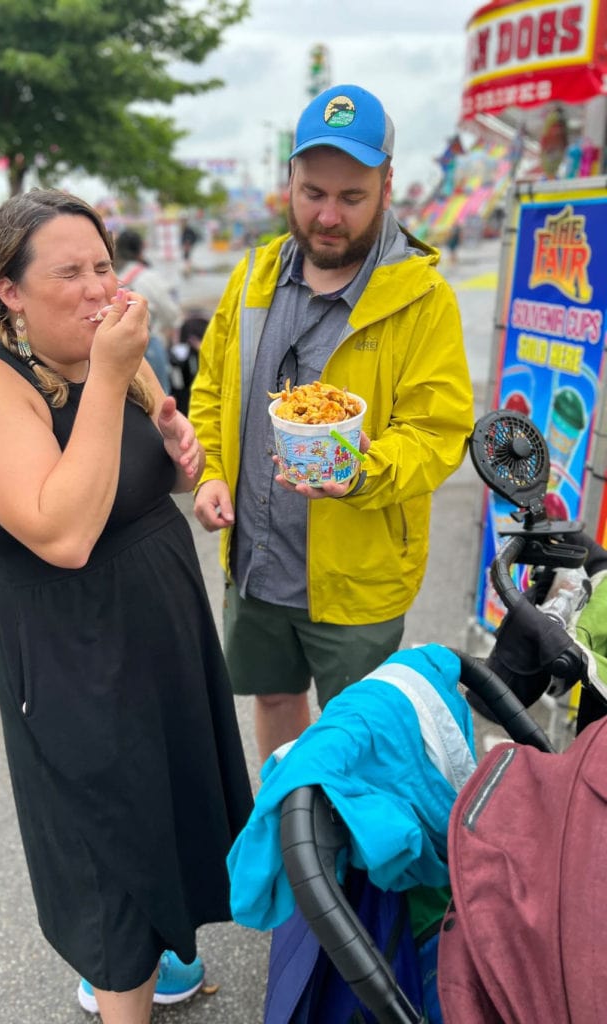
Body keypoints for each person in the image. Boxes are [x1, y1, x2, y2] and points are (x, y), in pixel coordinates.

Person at [0, 188, 253, 1024]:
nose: (97, 286)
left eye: (103, 264)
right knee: (108, 855)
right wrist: (110, 374)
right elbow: (64, 531)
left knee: (174, 805)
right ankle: (123, 996)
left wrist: (194, 464)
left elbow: (164, 444)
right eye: (68, 272)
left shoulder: (117, 358)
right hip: (72, 665)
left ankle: (168, 967)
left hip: (164, 641)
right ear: (10, 291)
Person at [189, 83, 474, 764]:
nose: (328, 216)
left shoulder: (422, 298)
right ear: (289, 179)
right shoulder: (252, 277)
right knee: (276, 701)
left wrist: (362, 470)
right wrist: (214, 472)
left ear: (386, 185)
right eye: (314, 192)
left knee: (357, 736)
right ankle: (286, 846)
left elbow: (438, 433)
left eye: (352, 197)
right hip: (257, 564)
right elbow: (212, 391)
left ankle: (342, 865)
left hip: (359, 575)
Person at [113, 228, 181, 393]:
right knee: (159, 405)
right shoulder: (147, 276)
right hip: (148, 346)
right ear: (140, 249)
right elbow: (172, 314)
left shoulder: (110, 274)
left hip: (113, 348)